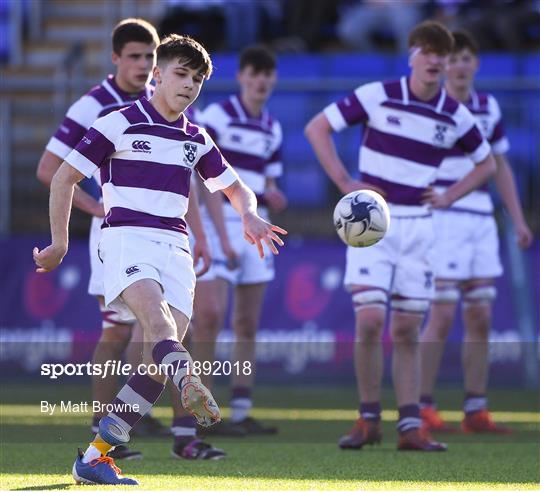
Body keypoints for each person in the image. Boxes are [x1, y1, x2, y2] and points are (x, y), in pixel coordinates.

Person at [33, 33, 286, 485]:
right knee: (160, 328)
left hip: (176, 248)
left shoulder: (197, 138)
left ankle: (93, 457)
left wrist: (249, 214)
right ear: (158, 76)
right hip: (126, 239)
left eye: (198, 80)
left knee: (154, 364)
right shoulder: (117, 121)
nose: (189, 85)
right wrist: (60, 242)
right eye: (181, 75)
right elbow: (63, 178)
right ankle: (189, 380)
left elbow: (234, 186)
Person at [304, 20, 496, 452]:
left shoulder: (454, 114)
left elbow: (487, 164)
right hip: (371, 219)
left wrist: (449, 195)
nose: (434, 60)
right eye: (426, 51)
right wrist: (342, 181)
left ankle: (410, 426)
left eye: (441, 54)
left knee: (408, 329)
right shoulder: (379, 93)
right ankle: (368, 418)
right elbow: (317, 127)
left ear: (447, 63)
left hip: (422, 225)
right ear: (412, 55)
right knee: (370, 320)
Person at [36, 17, 166, 460]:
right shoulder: (93, 104)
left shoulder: (158, 101)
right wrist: (95, 208)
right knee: (116, 329)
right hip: (111, 233)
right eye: (134, 56)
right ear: (115, 59)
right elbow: (49, 170)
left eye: (150, 57)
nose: (144, 65)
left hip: (157, 234)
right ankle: (100, 424)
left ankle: (126, 420)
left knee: (149, 328)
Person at [419, 30, 533, 434]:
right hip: (442, 216)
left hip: (480, 217)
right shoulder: (433, 107)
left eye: (468, 58)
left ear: (476, 64)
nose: (461, 65)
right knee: (443, 311)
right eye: (455, 58)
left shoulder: (488, 107)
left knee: (481, 313)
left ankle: (476, 408)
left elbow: (500, 166)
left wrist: (516, 218)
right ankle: (423, 405)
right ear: (443, 64)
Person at [194, 44, 287, 435]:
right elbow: (203, 176)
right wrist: (222, 236)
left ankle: (241, 410)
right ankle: (202, 411)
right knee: (209, 317)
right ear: (242, 76)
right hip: (218, 223)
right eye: (255, 72)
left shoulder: (272, 128)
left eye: (268, 74)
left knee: (247, 322)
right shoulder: (217, 115)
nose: (261, 80)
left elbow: (267, 183)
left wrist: (273, 195)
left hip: (255, 224)